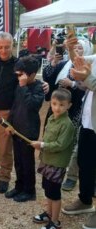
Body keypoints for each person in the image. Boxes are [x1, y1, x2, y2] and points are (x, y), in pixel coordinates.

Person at [0, 32, 49, 191]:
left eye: (7, 47)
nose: (3, 50)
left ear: (12, 46)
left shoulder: (18, 64)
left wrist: (43, 84)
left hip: (7, 112)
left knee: (5, 147)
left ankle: (4, 177)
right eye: (0, 47)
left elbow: (30, 78)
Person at [42, 38, 93, 191]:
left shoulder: (88, 66)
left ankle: (70, 175)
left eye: (80, 49)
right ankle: (50, 164)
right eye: (74, 48)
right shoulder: (64, 64)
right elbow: (47, 75)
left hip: (74, 108)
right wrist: (52, 63)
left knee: (70, 141)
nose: (77, 51)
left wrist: (72, 84)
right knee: (52, 133)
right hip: (56, 107)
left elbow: (88, 86)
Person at [61, 37, 96, 229]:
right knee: (85, 162)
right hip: (89, 121)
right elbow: (80, 61)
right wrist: (70, 48)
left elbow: (91, 81)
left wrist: (86, 78)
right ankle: (85, 200)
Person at [32, 88, 75, 229]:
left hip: (57, 164)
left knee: (54, 193)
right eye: (55, 103)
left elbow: (60, 145)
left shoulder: (67, 124)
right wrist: (42, 145)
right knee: (47, 189)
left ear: (69, 105)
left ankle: (55, 222)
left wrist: (42, 145)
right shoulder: (51, 118)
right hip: (47, 160)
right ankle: (49, 213)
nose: (57, 108)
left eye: (62, 105)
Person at [4, 56, 44, 202]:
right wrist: (9, 124)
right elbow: (15, 106)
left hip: (29, 131)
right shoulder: (19, 85)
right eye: (18, 74)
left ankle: (29, 190)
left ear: (32, 74)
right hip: (16, 129)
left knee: (27, 162)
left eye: (22, 74)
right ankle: (19, 186)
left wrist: (24, 87)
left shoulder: (38, 88)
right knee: (18, 161)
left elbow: (32, 105)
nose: (19, 77)